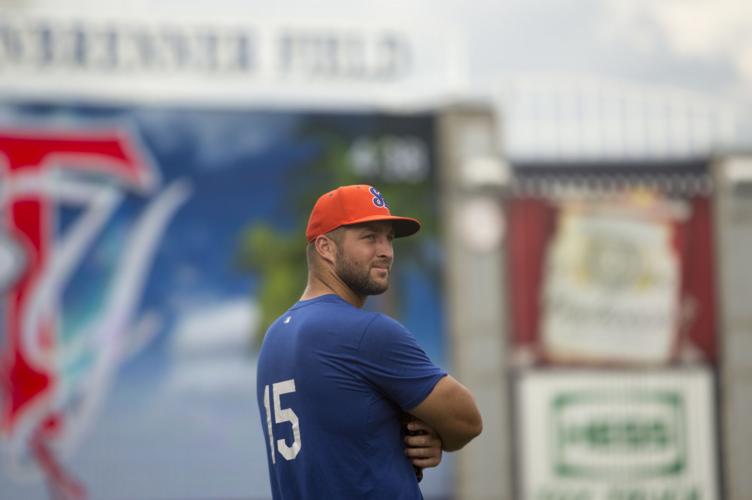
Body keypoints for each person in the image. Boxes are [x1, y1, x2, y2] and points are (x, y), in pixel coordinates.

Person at [256, 184, 482, 499]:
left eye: (389, 237)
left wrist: (418, 436)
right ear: (325, 247)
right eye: (369, 237)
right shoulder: (366, 333)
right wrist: (441, 436)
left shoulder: (275, 337)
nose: (386, 251)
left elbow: (341, 432)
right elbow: (467, 419)